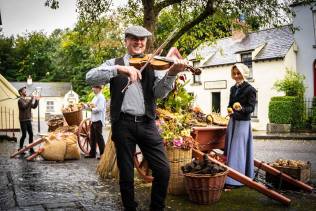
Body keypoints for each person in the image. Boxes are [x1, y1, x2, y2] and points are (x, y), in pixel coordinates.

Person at [86, 25, 187, 211]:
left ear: (146, 43)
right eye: (133, 38)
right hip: (122, 124)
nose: (138, 42)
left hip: (147, 123)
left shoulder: (153, 64)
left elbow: (159, 93)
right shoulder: (115, 63)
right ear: (126, 41)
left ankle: (156, 207)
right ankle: (130, 207)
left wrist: (172, 74)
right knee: (126, 174)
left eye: (142, 39)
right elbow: (90, 77)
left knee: (163, 170)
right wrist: (118, 69)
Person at [224, 63, 256, 188]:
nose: (236, 76)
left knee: (238, 150)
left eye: (238, 73)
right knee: (231, 148)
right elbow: (230, 104)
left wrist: (241, 108)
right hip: (233, 121)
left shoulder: (250, 89)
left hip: (243, 123)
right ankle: (229, 176)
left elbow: (251, 108)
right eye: (234, 73)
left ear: (244, 74)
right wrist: (229, 109)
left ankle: (235, 180)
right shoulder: (232, 89)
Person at [85, 85, 106, 159]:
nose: (92, 89)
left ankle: (103, 154)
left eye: (94, 88)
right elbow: (92, 106)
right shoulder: (95, 97)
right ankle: (92, 153)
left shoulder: (101, 97)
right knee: (92, 137)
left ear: (99, 89)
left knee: (99, 137)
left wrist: (91, 109)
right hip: (93, 119)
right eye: (93, 87)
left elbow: (100, 108)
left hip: (99, 119)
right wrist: (85, 106)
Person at [18, 86, 39, 154]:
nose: (25, 91)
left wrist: (36, 100)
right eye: (24, 91)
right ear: (21, 93)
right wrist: (31, 99)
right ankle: (20, 148)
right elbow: (24, 107)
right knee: (24, 135)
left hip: (28, 119)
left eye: (25, 90)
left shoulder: (27, 100)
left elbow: (34, 106)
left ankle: (31, 149)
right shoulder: (20, 101)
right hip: (23, 120)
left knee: (31, 134)